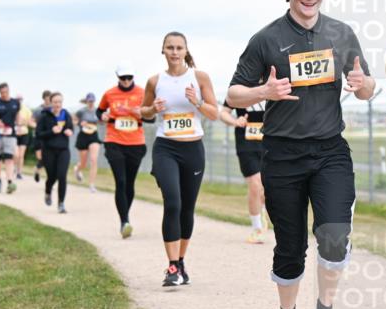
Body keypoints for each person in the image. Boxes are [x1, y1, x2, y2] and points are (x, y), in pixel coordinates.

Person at [227, 0, 375, 309]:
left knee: (334, 235)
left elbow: (367, 87)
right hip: (282, 154)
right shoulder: (266, 38)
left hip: (330, 151)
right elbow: (233, 94)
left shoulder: (341, 33)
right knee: (290, 246)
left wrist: (362, 85)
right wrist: (264, 92)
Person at [140, 32, 218, 287]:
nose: (174, 52)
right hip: (166, 148)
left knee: (186, 208)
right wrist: (153, 109)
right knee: (172, 202)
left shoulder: (199, 77)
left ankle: (181, 261)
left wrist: (197, 102)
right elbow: (144, 112)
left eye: (178, 48)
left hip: (192, 148)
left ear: (186, 51)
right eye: (169, 47)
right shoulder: (155, 80)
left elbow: (214, 113)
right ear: (163, 50)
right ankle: (172, 266)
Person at [98, 66, 149, 238]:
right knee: (120, 181)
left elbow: (152, 116)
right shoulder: (109, 93)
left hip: (136, 143)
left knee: (129, 183)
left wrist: (140, 112)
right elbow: (100, 110)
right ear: (118, 77)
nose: (126, 81)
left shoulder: (142, 93)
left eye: (129, 77)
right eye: (123, 78)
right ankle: (124, 221)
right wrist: (102, 116)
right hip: (114, 141)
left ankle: (125, 215)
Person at [218, 99, 267, 243]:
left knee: (267, 188)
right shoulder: (240, 83)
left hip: (270, 142)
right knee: (255, 184)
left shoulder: (275, 82)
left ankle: (262, 209)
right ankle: (257, 228)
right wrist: (235, 121)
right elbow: (224, 113)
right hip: (246, 143)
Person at [35, 92, 74, 213]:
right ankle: (48, 191)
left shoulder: (66, 114)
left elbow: (70, 127)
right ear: (51, 102)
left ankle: (61, 204)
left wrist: (69, 131)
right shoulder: (45, 116)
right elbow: (38, 134)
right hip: (49, 151)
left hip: (63, 150)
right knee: (52, 176)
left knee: (62, 176)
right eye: (55, 102)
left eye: (60, 102)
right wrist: (51, 131)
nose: (58, 104)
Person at [74, 92, 101, 192]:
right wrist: (80, 123)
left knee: (94, 160)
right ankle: (77, 169)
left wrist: (102, 120)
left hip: (94, 136)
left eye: (92, 101)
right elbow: (74, 121)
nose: (91, 103)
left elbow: (102, 121)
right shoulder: (81, 111)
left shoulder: (97, 111)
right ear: (86, 101)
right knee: (83, 163)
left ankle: (92, 185)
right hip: (83, 136)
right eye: (89, 101)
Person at [31, 90, 52, 183]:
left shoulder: (54, 110)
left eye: (50, 99)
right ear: (43, 99)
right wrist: (37, 126)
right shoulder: (38, 110)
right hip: (38, 136)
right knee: (41, 158)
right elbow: (30, 121)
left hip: (49, 137)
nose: (48, 101)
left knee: (48, 158)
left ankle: (48, 177)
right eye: (47, 99)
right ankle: (37, 170)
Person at [14, 94, 33, 181]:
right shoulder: (12, 108)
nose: (19, 101)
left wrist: (24, 122)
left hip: (24, 133)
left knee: (21, 155)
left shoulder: (27, 110)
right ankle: (14, 167)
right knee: (16, 154)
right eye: (17, 99)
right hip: (14, 133)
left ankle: (19, 173)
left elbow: (30, 122)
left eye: (20, 99)